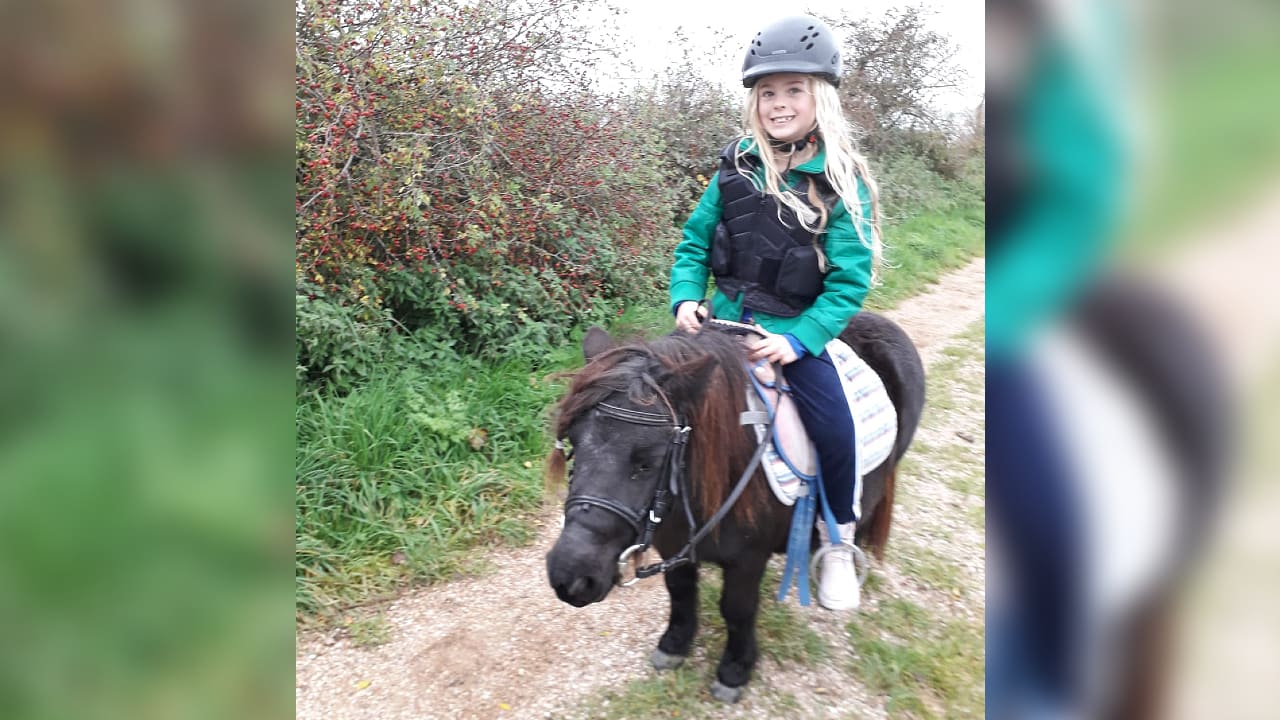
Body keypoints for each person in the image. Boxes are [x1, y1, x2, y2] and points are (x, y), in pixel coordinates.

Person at [668, 15, 884, 611]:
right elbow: (693, 244)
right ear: (754, 101)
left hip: (789, 332)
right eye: (768, 92)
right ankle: (657, 519)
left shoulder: (842, 182)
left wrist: (799, 341)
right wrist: (687, 297)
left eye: (794, 90)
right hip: (719, 325)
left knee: (835, 429)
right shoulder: (734, 167)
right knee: (648, 406)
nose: (779, 104)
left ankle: (837, 540)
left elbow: (847, 283)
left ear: (821, 98)